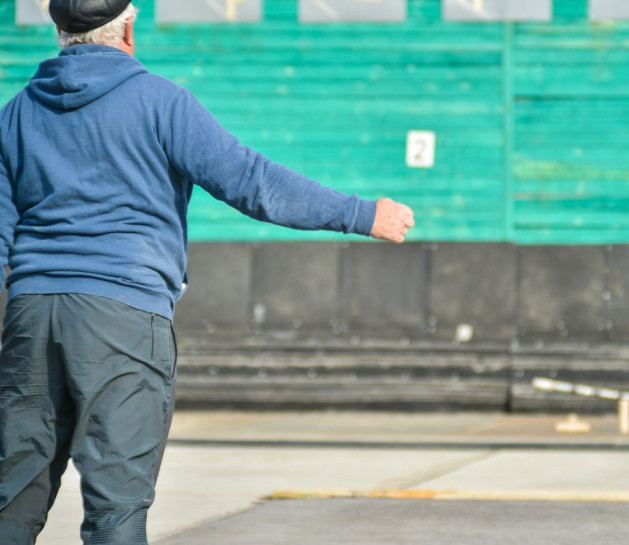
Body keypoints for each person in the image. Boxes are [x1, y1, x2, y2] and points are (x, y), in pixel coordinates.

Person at [0, 1, 415, 543]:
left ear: (59, 31)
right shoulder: (160, 101)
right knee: (115, 509)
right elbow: (250, 182)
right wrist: (360, 214)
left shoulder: (16, 112)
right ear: (128, 29)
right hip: (122, 317)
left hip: (32, 315)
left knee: (12, 504)